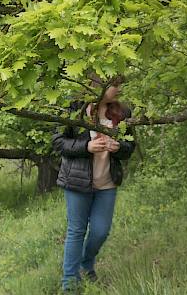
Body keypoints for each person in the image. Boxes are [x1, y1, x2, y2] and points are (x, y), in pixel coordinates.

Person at [53, 76, 135, 291]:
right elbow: (58, 142)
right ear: (98, 86)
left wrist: (119, 148)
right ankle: (70, 283)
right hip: (77, 182)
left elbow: (130, 147)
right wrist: (86, 147)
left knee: (100, 231)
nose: (119, 90)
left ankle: (86, 263)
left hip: (107, 183)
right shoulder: (73, 109)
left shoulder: (123, 113)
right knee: (76, 231)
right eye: (115, 85)